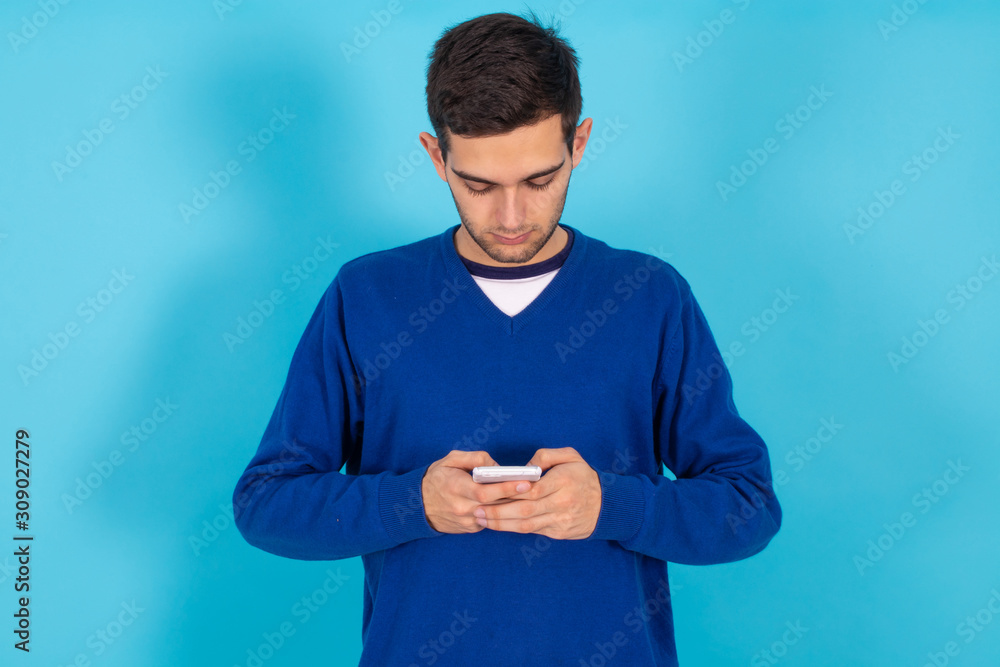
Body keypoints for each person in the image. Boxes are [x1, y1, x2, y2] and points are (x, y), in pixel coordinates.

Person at [233, 10, 781, 666]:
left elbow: (747, 505)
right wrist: (412, 500)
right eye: (479, 184)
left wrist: (613, 502)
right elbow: (268, 501)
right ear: (436, 156)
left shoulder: (649, 297)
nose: (513, 216)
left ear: (579, 144)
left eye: (540, 179)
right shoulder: (366, 296)